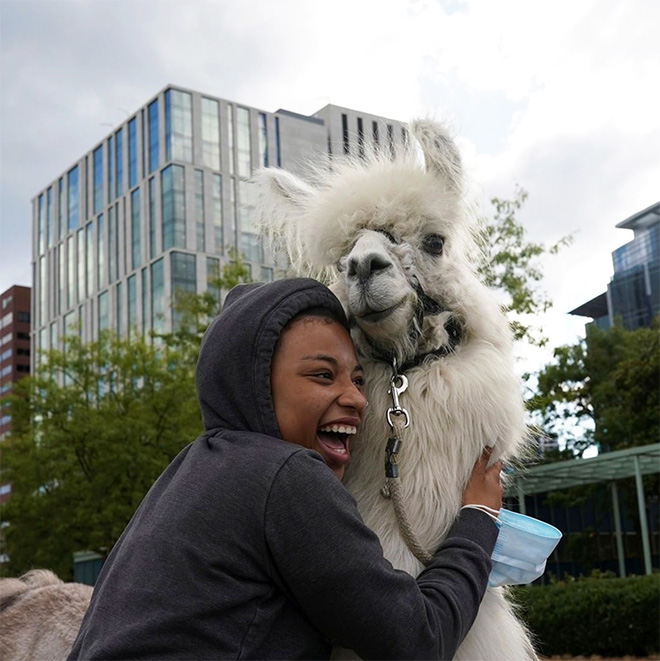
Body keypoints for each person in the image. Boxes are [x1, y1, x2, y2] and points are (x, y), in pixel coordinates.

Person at [68, 278, 502, 661]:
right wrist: (478, 521)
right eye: (322, 375)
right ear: (254, 382)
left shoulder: (192, 470)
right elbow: (417, 642)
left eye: (357, 379)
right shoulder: (285, 474)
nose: (356, 399)